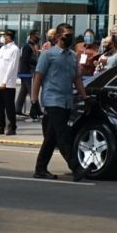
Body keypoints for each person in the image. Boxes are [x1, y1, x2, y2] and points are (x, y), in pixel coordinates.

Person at [31, 23, 88, 181]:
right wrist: (34, 100)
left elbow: (77, 79)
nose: (69, 38)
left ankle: (40, 168)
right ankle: (76, 168)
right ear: (57, 37)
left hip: (66, 101)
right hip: (52, 100)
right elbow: (38, 77)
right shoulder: (48, 55)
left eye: (71, 35)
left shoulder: (71, 56)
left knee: (51, 137)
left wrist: (85, 97)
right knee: (63, 136)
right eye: (66, 35)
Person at [0, 28, 21, 136]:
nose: (2, 38)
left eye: (4, 36)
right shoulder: (2, 49)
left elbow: (12, 67)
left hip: (8, 83)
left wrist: (4, 81)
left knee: (9, 107)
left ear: (9, 37)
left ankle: (12, 127)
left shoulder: (15, 49)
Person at [16, 29, 41, 119]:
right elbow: (26, 59)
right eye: (36, 35)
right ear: (31, 36)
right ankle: (37, 110)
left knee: (23, 91)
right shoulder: (27, 47)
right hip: (26, 72)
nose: (38, 37)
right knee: (32, 91)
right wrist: (36, 63)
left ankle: (17, 109)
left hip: (25, 71)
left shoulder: (31, 46)